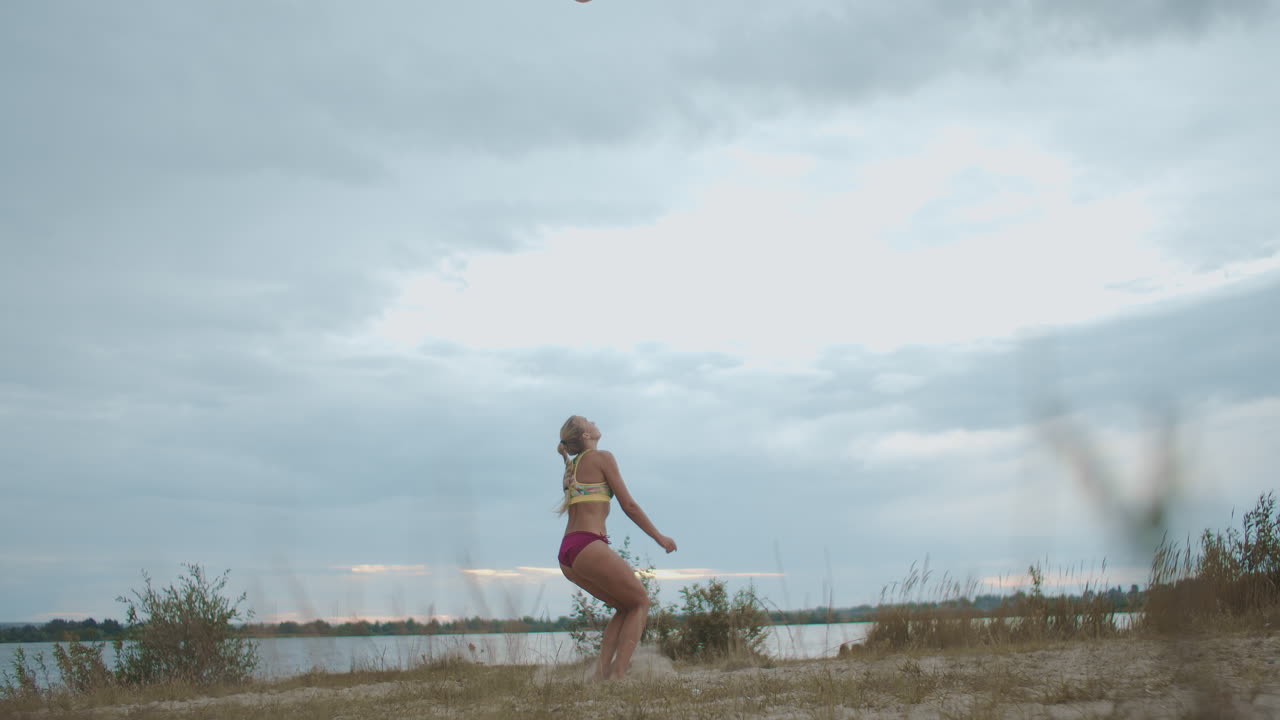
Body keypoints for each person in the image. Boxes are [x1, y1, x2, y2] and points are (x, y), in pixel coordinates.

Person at [556, 415, 677, 680]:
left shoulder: (573, 467)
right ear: (585, 436)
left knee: (624, 607)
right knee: (640, 602)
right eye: (588, 421)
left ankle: (601, 673)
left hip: (568, 552)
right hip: (588, 545)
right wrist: (659, 537)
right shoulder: (602, 458)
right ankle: (619, 675)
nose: (594, 421)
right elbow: (629, 506)